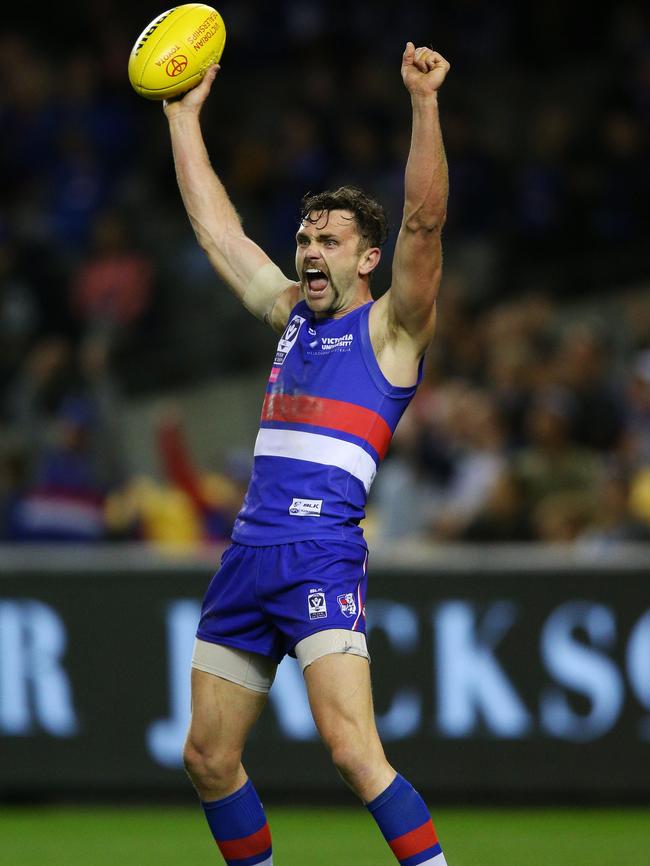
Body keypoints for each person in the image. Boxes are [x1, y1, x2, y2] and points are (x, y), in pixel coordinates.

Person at [163, 42, 450, 866]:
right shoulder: (292, 315)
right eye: (304, 236)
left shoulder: (391, 332)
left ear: (368, 258)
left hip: (320, 553)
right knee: (207, 760)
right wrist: (185, 120)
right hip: (248, 555)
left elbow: (425, 222)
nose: (309, 251)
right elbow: (217, 230)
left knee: (353, 753)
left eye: (329, 240)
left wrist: (423, 106)